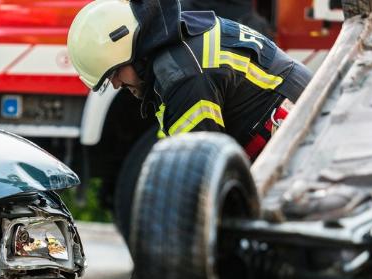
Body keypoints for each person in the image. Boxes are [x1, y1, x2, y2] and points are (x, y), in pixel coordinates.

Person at [67, 0, 311, 160]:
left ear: (134, 54)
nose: (117, 85)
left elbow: (200, 169)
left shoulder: (181, 77)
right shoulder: (177, 38)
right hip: (301, 114)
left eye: (115, 73)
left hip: (300, 136)